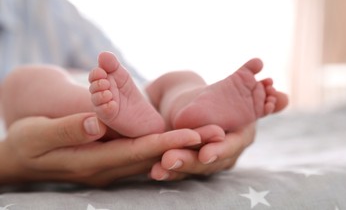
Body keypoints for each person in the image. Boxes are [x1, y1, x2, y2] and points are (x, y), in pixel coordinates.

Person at [0, 0, 288, 185]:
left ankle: (188, 105)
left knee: (173, 80)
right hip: (61, 124)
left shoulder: (42, 8)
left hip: (133, 103)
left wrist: (228, 125)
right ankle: (149, 108)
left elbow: (130, 79)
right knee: (21, 82)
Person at [2, 51, 287, 138]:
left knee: (179, 79)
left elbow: (118, 69)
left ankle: (188, 104)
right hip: (107, 94)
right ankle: (177, 105)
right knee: (20, 82)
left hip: (134, 94)